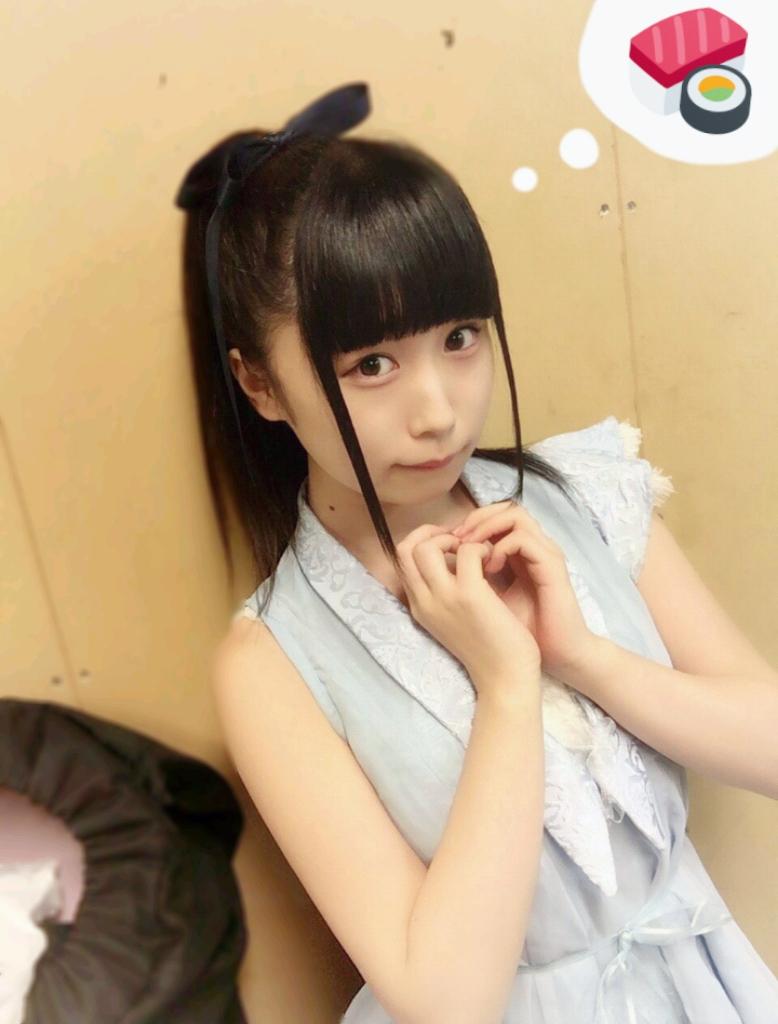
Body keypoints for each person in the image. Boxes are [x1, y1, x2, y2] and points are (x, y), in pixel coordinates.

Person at [174, 82, 778, 1022]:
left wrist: (584, 657)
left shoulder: (584, 492)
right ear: (260, 385)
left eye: (459, 338)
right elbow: (443, 998)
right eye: (371, 364)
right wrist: (507, 683)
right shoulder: (274, 659)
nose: (438, 411)